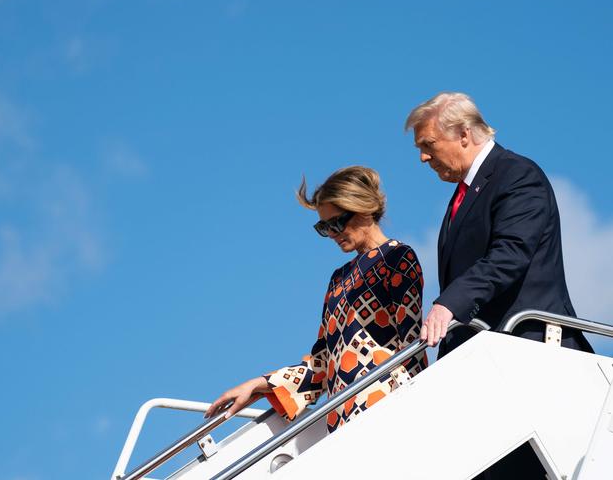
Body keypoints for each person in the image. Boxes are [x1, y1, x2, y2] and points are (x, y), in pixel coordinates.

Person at [405, 92, 592, 478]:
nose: (423, 157)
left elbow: (510, 254)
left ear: (462, 134)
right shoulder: (464, 194)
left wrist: (448, 304)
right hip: (484, 367)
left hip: (527, 354)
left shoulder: (516, 175)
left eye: (428, 145)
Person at [205, 166, 427, 433]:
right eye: (323, 227)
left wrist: (416, 410)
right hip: (343, 418)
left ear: (364, 209)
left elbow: (413, 345)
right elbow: (322, 363)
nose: (332, 234)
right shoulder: (338, 278)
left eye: (336, 223)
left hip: (387, 408)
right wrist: (258, 384)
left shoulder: (397, 257)